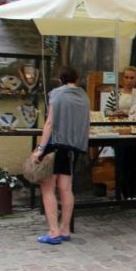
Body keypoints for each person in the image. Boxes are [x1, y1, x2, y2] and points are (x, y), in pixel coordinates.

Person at [31, 66, 90, 245]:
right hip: (72, 146)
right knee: (66, 189)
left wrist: (40, 148)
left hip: (54, 144)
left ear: (60, 79)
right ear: (77, 79)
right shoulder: (83, 97)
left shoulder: (56, 94)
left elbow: (49, 122)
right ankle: (65, 229)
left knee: (48, 188)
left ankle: (53, 231)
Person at [105, 66, 136, 200]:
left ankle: (132, 193)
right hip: (119, 131)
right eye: (127, 77)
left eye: (132, 78)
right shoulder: (116, 94)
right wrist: (114, 113)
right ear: (122, 79)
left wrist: (128, 114)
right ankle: (123, 194)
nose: (129, 80)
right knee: (121, 163)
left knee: (133, 164)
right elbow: (106, 110)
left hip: (134, 132)